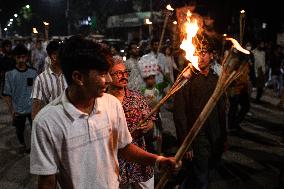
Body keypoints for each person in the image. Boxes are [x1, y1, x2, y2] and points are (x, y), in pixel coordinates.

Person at [30, 36, 179, 189]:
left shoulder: (111, 104)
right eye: (102, 74)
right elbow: (47, 181)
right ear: (78, 77)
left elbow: (124, 148)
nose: (108, 80)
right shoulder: (46, 122)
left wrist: (158, 160)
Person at [173, 39, 227, 189]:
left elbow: (222, 110)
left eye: (203, 53)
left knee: (202, 173)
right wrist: (186, 143)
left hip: (214, 135)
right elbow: (179, 114)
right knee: (202, 178)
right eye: (197, 53)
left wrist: (224, 136)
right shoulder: (186, 80)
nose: (200, 57)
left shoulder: (217, 80)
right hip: (196, 137)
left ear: (211, 56)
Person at [108, 57, 155, 189]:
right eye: (118, 73)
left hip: (139, 156)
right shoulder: (103, 101)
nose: (123, 76)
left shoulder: (137, 97)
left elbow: (150, 120)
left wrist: (147, 125)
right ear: (108, 76)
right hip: (115, 158)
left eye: (125, 72)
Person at [2, 44, 37, 153]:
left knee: (35, 131)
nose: (21, 60)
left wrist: (36, 108)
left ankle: (32, 148)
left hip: (31, 109)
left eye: (23, 57)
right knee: (20, 131)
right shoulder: (9, 74)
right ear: (14, 58)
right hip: (18, 110)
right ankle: (23, 145)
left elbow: (37, 91)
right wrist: (12, 111)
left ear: (27, 57)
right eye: (18, 57)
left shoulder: (33, 72)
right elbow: (7, 94)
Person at [31, 40, 67, 119]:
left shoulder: (69, 75)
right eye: (63, 54)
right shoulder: (40, 79)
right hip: (50, 122)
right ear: (54, 56)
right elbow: (36, 106)